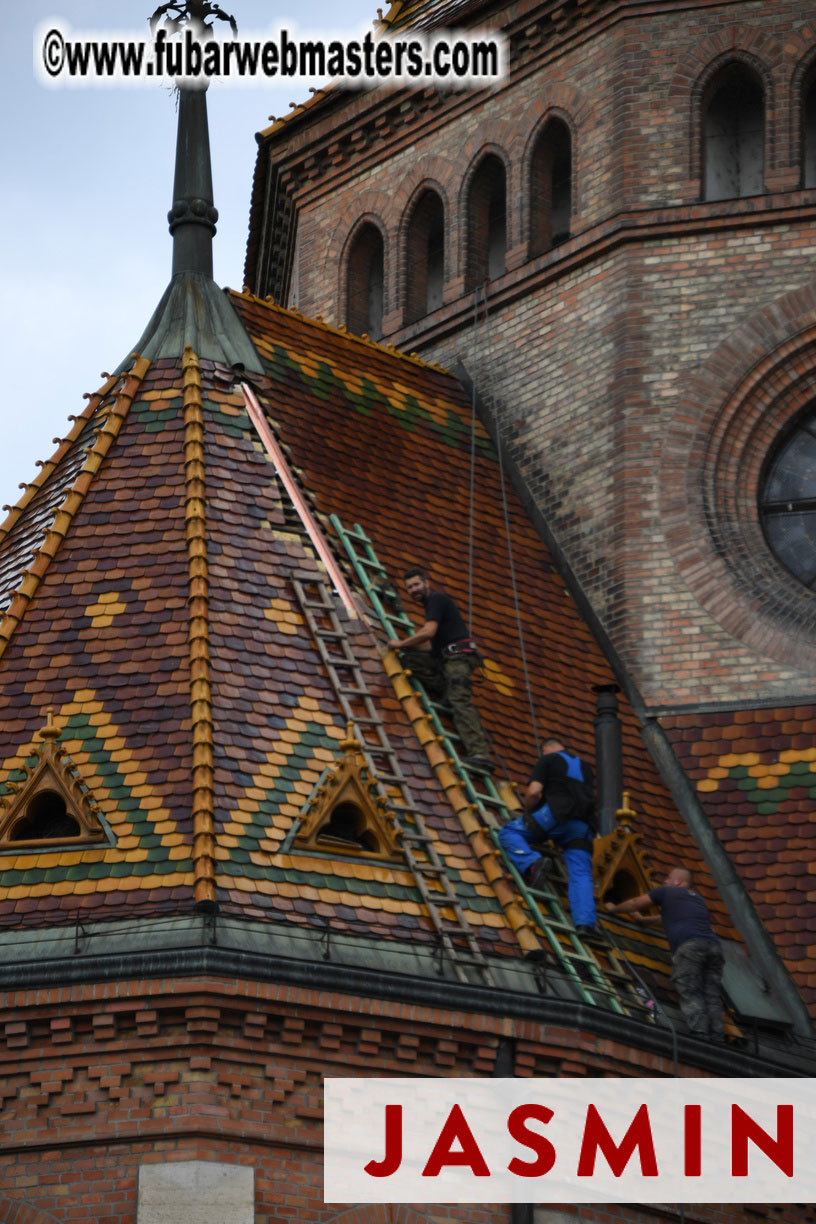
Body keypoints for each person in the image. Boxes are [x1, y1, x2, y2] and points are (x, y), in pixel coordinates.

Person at [386, 567, 493, 771]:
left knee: (459, 700)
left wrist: (401, 643)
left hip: (459, 658)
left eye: (416, 584)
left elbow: (428, 632)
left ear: (427, 583)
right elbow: (429, 645)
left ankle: (480, 753)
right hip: (447, 657)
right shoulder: (431, 605)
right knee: (410, 660)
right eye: (409, 587)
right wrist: (406, 645)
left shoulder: (436, 600)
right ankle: (446, 689)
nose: (413, 590)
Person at [605, 867, 724, 1038]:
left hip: (690, 946)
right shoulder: (698, 899)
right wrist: (643, 920)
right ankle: (717, 1036)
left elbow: (635, 903)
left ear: (678, 882)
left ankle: (700, 1034)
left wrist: (613, 909)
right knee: (711, 994)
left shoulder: (668, 891)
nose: (664, 881)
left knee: (690, 988)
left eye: (668, 878)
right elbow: (665, 919)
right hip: (714, 948)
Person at [498, 737, 598, 937]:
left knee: (510, 832)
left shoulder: (548, 759)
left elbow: (534, 791)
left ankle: (533, 863)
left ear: (545, 749)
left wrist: (528, 810)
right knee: (581, 873)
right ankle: (585, 924)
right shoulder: (586, 767)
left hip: (555, 814)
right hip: (584, 824)